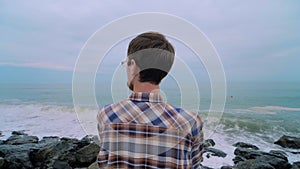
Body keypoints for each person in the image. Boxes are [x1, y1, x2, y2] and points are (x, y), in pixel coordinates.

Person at [97, 32, 204, 168]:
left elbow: (104, 163)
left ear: (133, 66)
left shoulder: (106, 115)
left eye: (126, 63)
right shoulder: (190, 122)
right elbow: (194, 164)